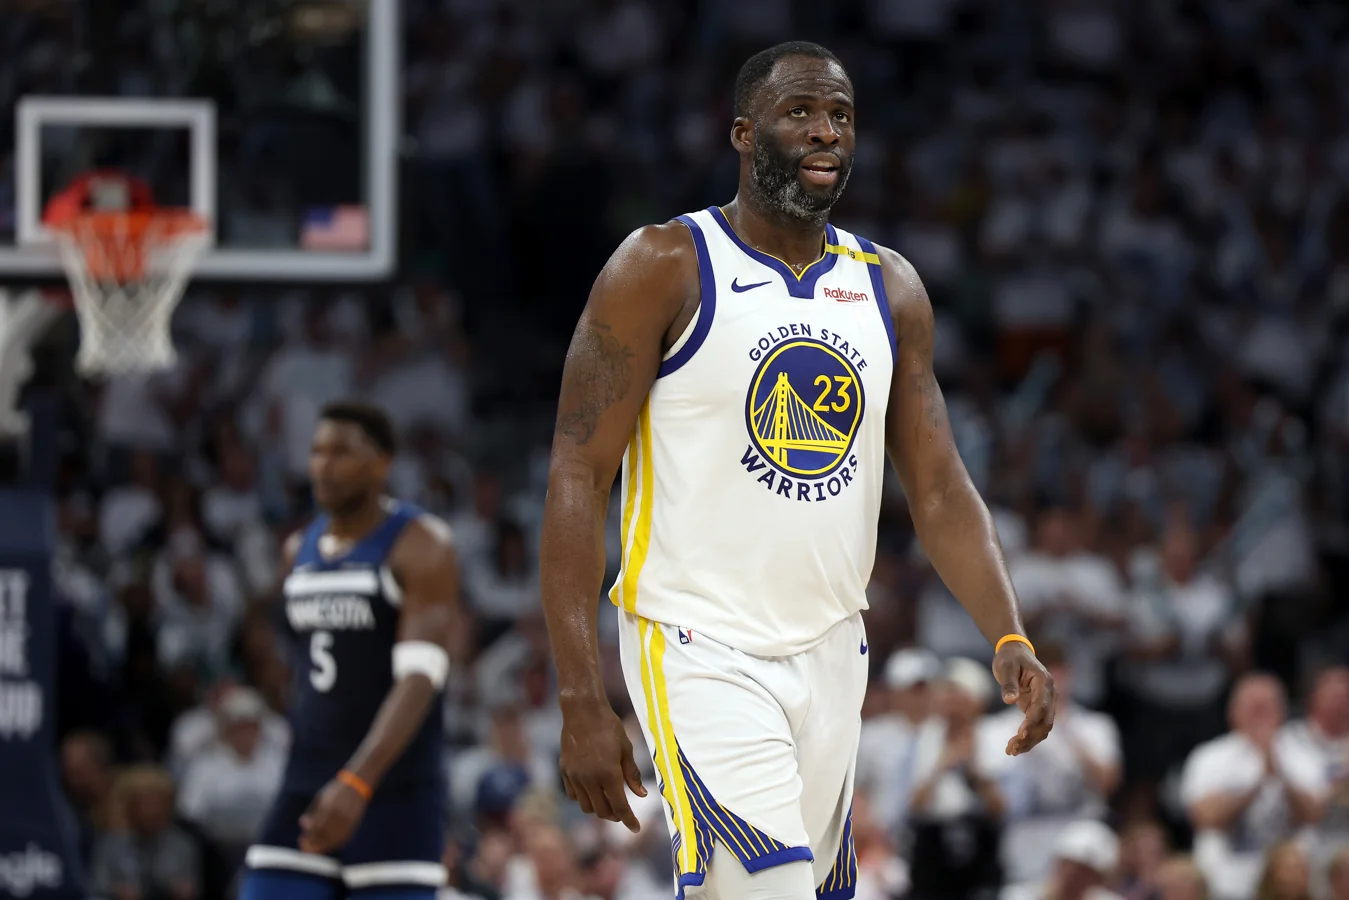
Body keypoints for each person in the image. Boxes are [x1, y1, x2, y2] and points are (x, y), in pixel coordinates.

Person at [539, 40, 1056, 900]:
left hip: (832, 647)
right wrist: (579, 695)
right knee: (767, 887)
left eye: (840, 116)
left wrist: (1007, 634)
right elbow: (576, 476)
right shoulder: (662, 264)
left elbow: (937, 488)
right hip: (695, 640)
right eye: (801, 113)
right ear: (743, 134)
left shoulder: (889, 287)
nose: (825, 132)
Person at [240, 401, 461, 900]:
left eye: (340, 452)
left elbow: (421, 676)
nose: (323, 465)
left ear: (382, 462)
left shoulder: (421, 544)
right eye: (317, 452)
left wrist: (357, 782)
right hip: (306, 780)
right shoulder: (297, 549)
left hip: (393, 789)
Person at [1180, 674, 1328, 900]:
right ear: (1232, 712)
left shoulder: (1303, 754)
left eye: (1267, 707)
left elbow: (1314, 814)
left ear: (1283, 712)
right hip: (1227, 874)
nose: (1260, 715)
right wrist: (1257, 782)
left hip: (1288, 880)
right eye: (1253, 707)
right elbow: (1204, 817)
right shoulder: (1209, 756)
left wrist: (1280, 773)